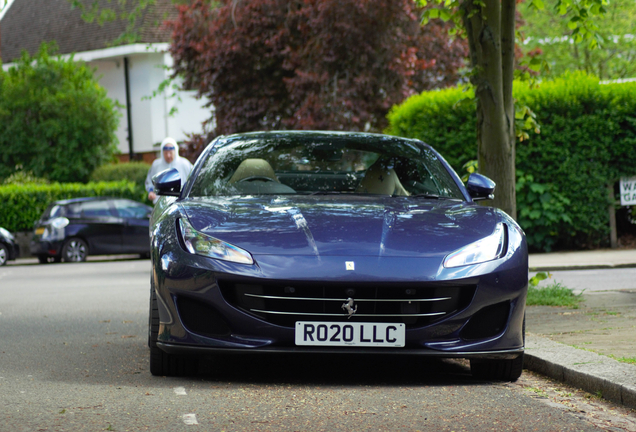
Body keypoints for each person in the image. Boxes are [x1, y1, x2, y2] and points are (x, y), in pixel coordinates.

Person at [145, 137, 194, 203]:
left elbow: (194, 180)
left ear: (175, 151)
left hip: (181, 204)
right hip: (161, 205)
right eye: (166, 153)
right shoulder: (156, 165)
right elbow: (150, 182)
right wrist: (151, 192)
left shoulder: (185, 164)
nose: (168, 156)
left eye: (171, 153)